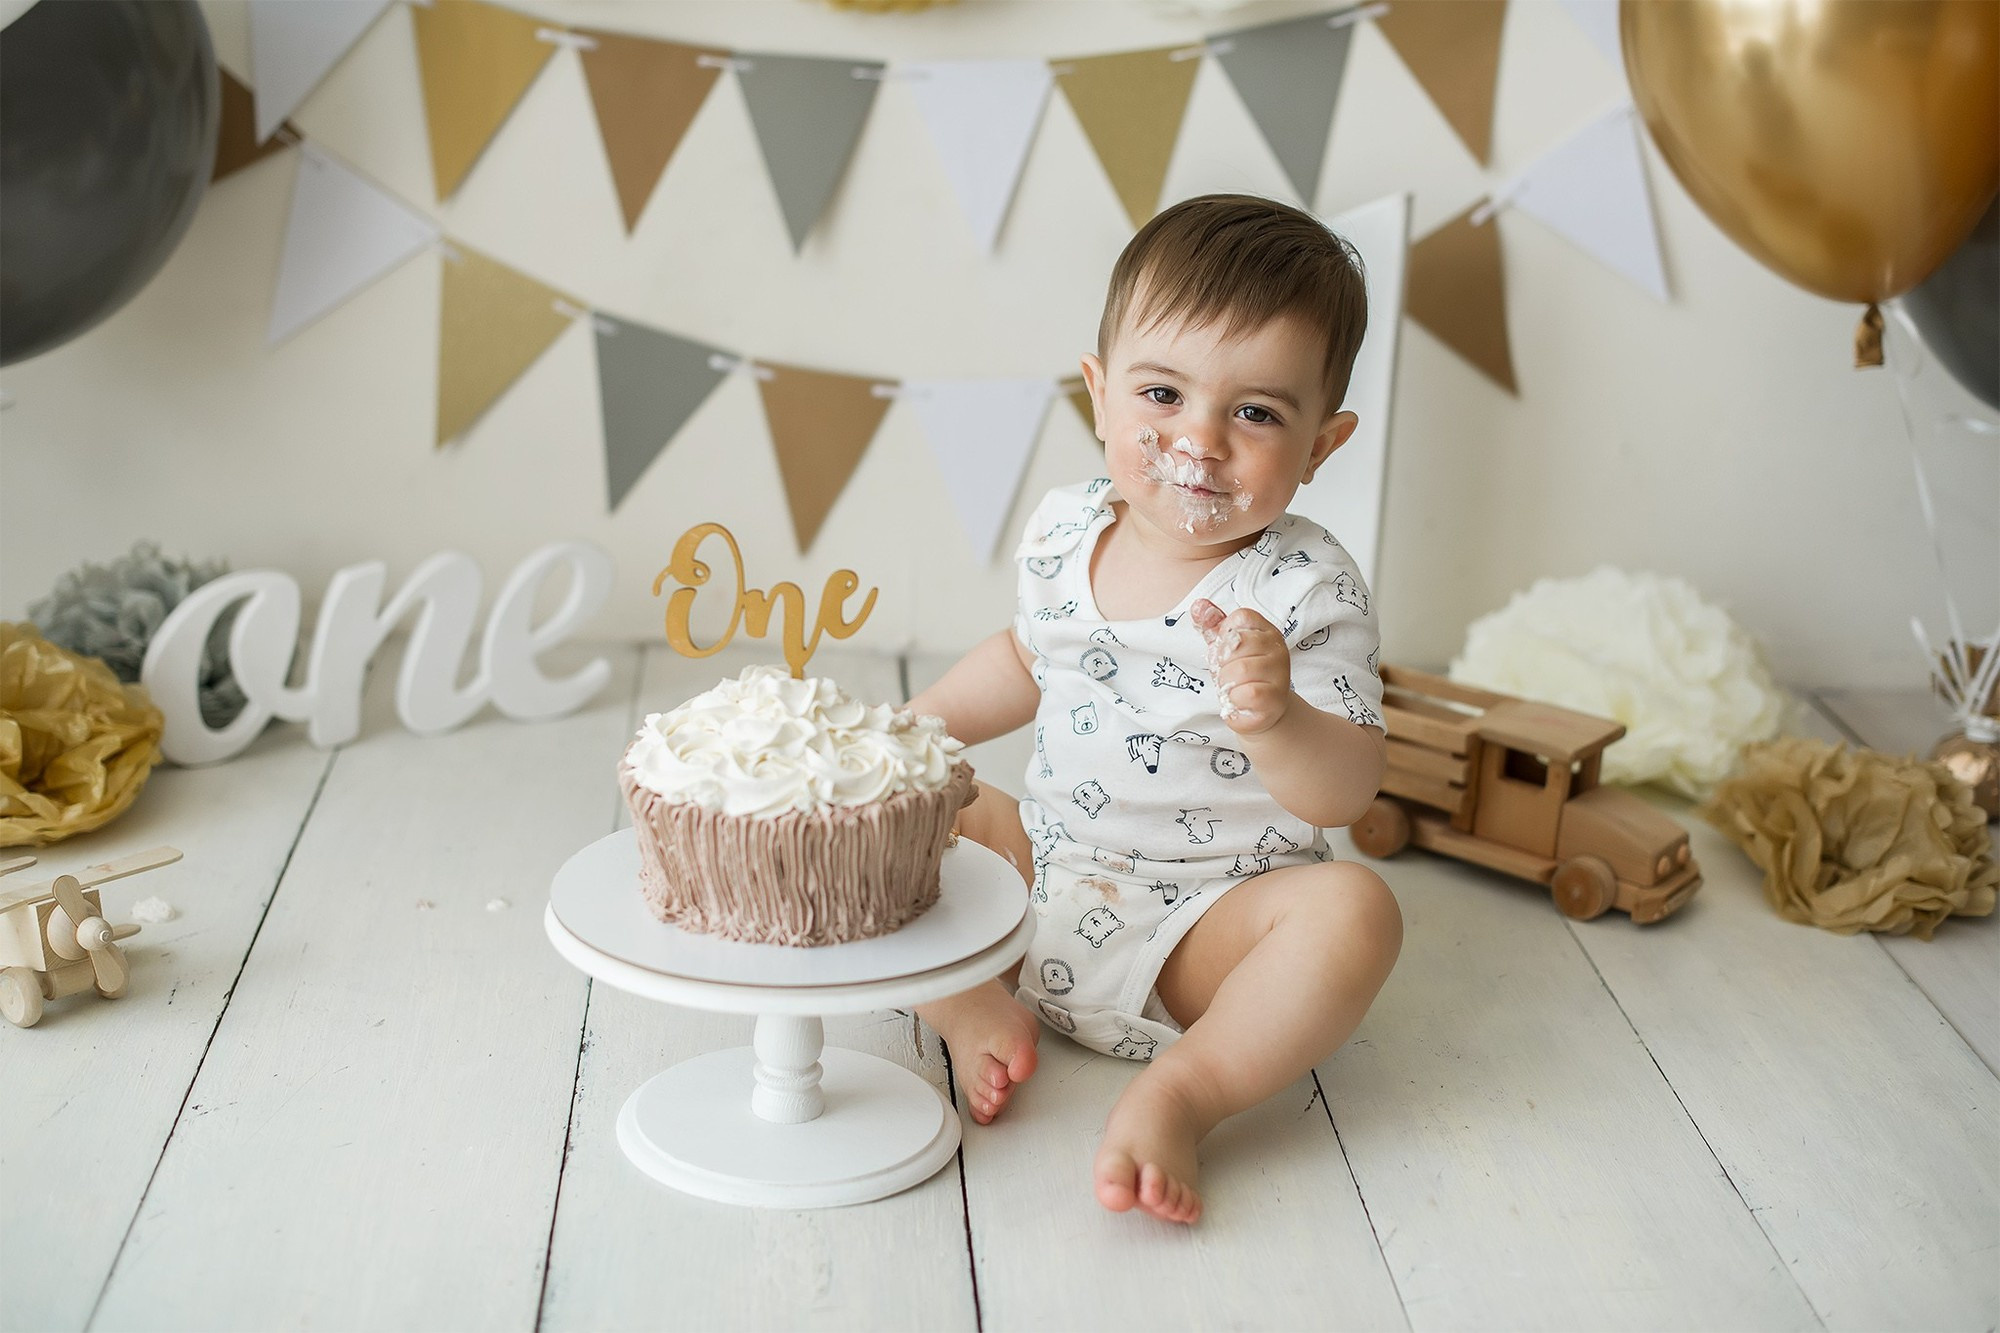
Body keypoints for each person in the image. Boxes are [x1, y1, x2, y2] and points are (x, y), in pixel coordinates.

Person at [907, 193, 1402, 1226]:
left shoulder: (1305, 588)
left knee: (1354, 912)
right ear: (1099, 394)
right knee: (906, 813)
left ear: (1322, 442)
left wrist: (1275, 719)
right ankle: (962, 1002)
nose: (1199, 440)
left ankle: (1186, 1091)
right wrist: (916, 733)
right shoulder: (1065, 526)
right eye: (1163, 393)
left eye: (1256, 412)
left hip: (1200, 934)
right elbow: (1022, 656)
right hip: (1034, 870)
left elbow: (1346, 789)